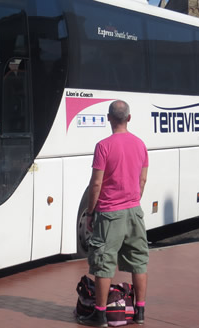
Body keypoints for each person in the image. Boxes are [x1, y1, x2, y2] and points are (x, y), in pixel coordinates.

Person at [77, 100, 149, 327]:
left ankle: (99, 315)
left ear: (109, 118)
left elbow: (96, 184)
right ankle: (139, 313)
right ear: (129, 118)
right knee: (139, 262)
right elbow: (143, 179)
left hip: (110, 214)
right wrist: (134, 200)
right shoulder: (140, 144)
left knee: (103, 264)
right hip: (134, 211)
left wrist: (90, 213)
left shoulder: (103, 146)